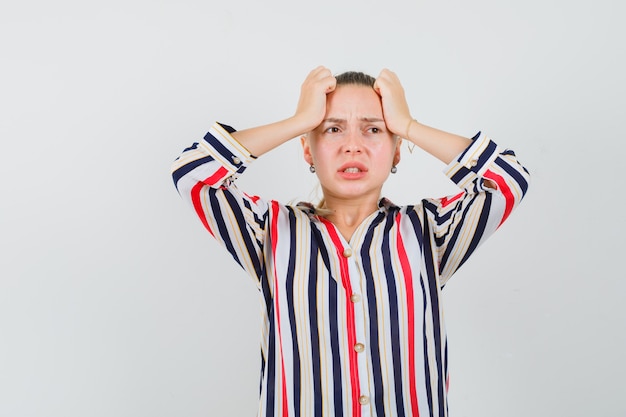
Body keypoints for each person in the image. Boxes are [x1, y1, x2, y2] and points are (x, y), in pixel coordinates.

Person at [171, 66, 530, 417]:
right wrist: (299, 121)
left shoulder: (429, 231)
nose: (353, 146)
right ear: (308, 151)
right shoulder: (271, 231)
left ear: (396, 152)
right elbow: (194, 173)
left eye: (373, 129)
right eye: (332, 129)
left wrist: (408, 126)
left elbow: (508, 179)